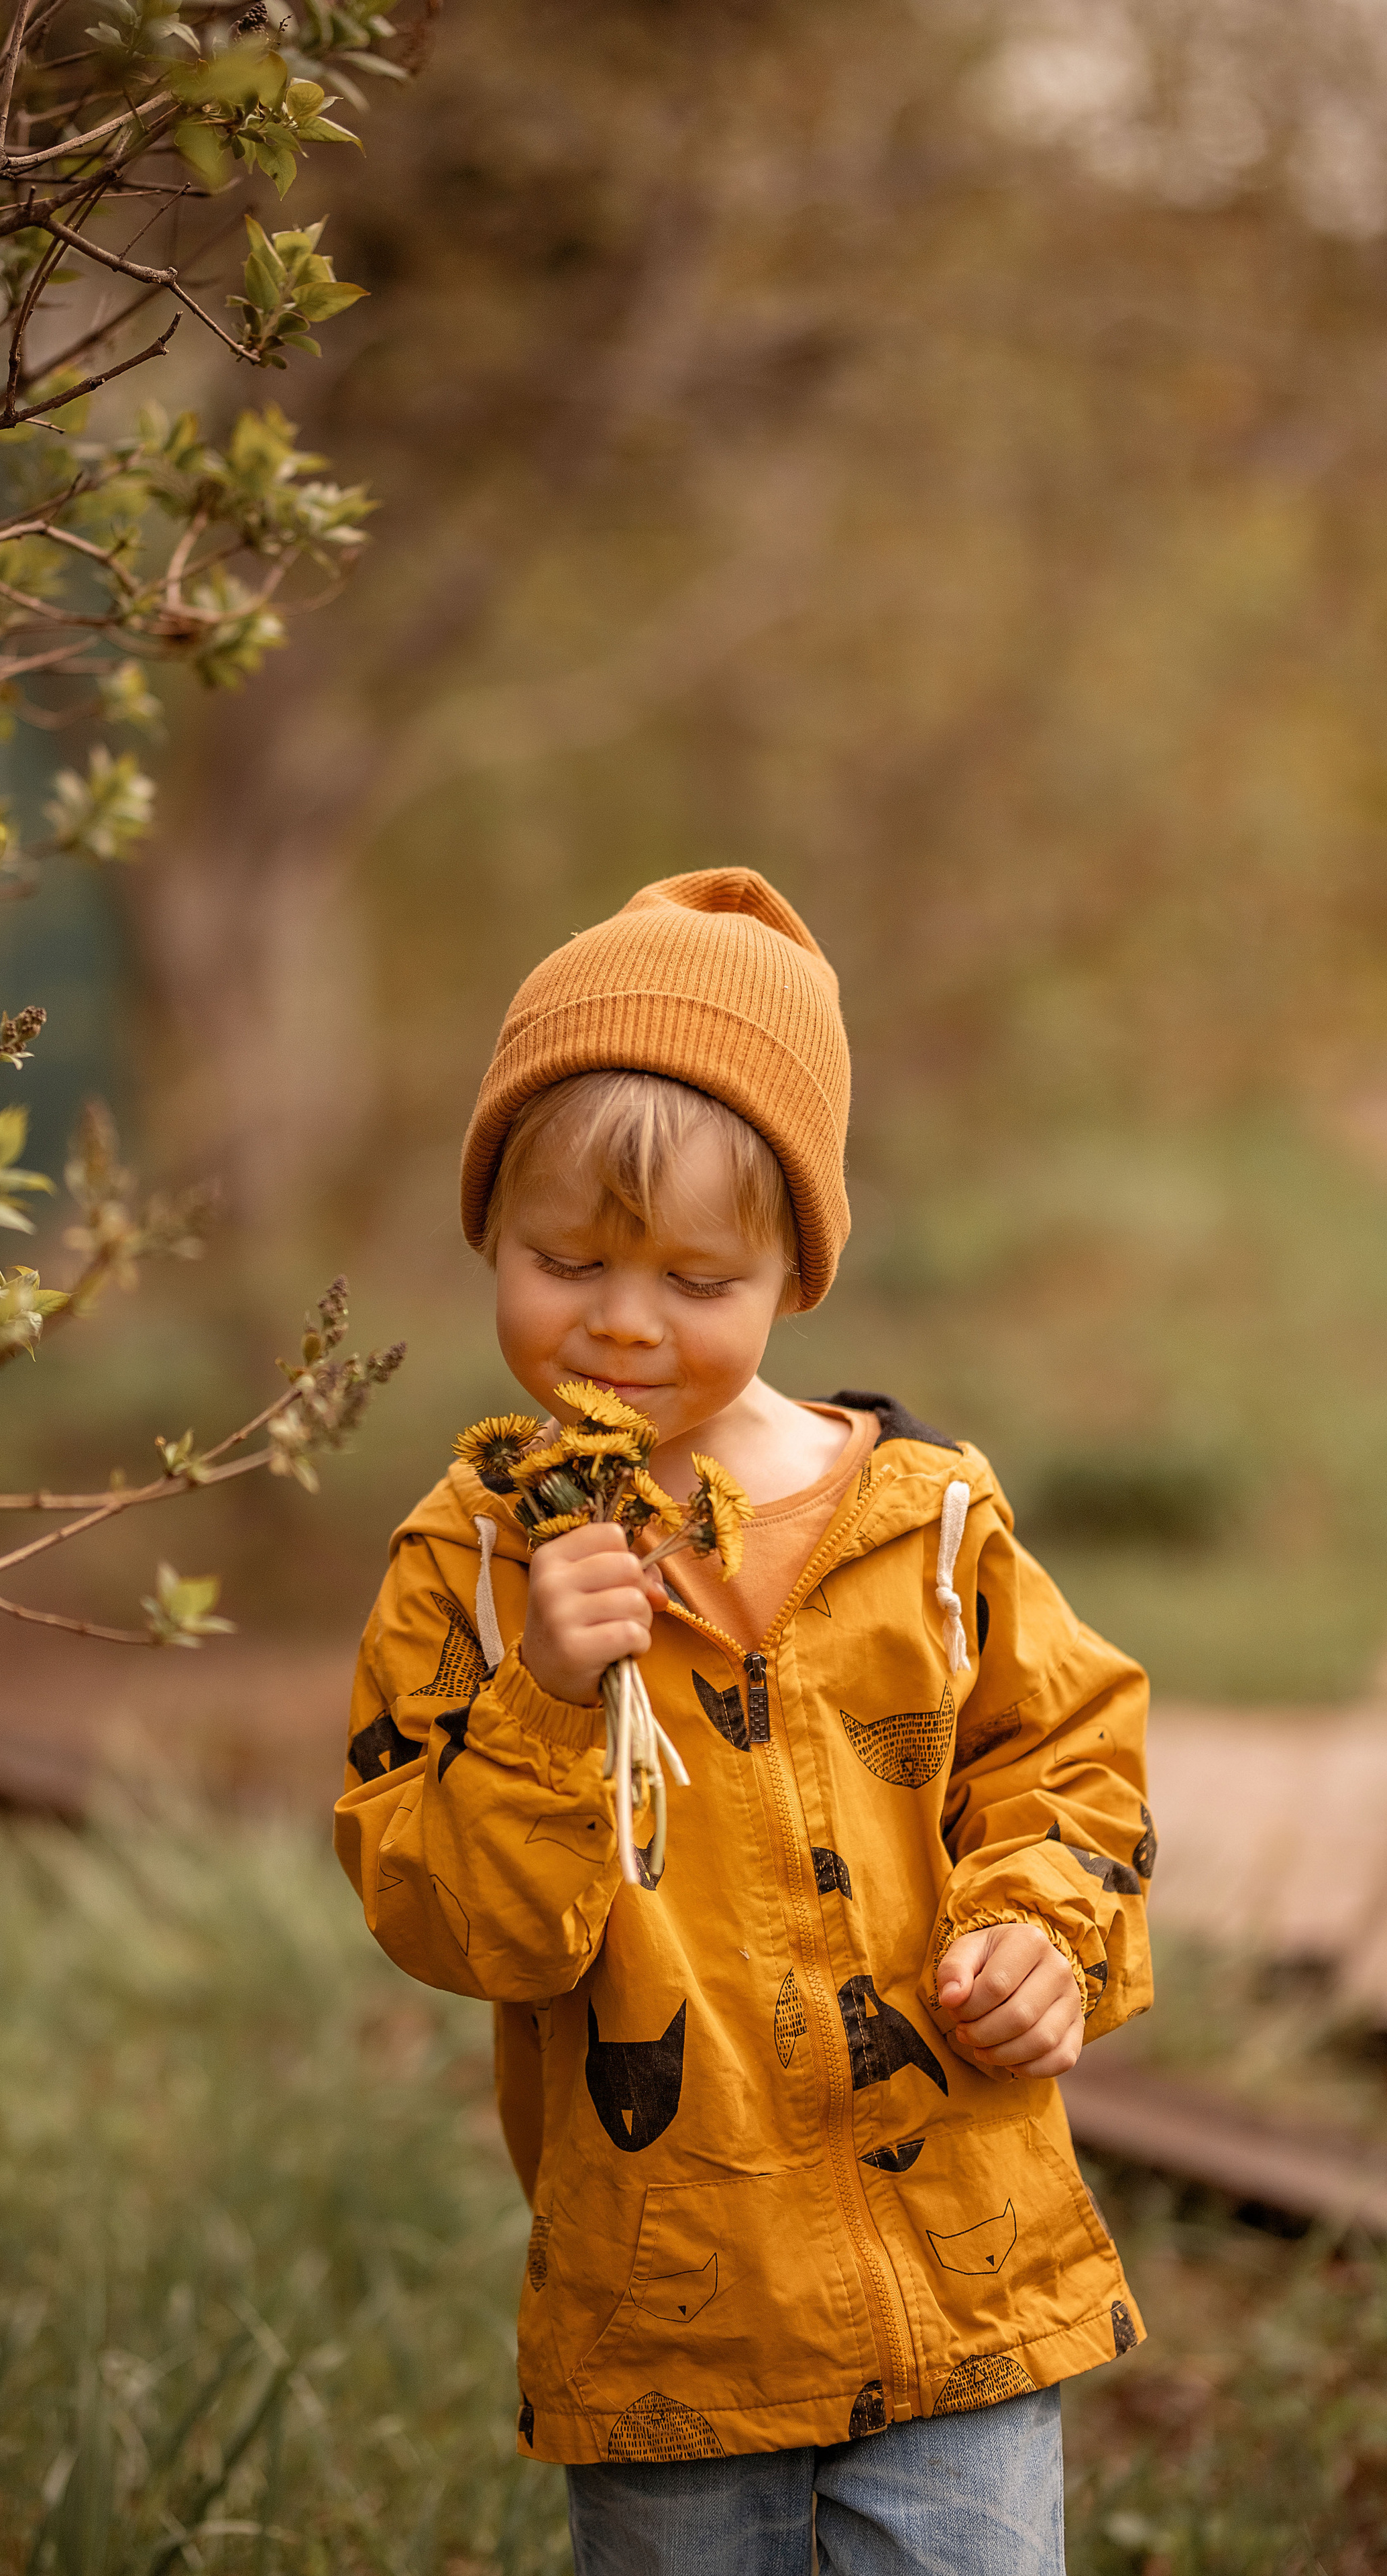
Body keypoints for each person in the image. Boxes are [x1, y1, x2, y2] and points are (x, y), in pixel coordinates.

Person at [334, 869, 1152, 2575]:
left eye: (696, 1279)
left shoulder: (927, 1525)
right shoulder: (479, 1564)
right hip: (670, 2316)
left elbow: (1069, 1759)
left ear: (794, 1271)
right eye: (565, 1260)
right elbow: (449, 1916)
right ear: (489, 1231)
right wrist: (548, 1704)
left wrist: (1040, 1940)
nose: (622, 1321)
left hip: (964, 2281)